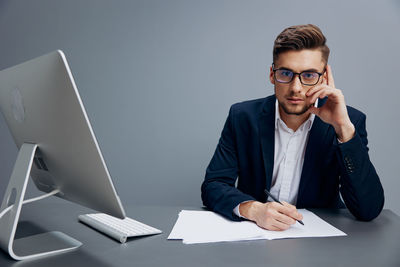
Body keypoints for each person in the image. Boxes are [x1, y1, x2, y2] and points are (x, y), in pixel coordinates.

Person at [201, 24, 384, 231]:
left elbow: (368, 210)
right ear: (272, 74)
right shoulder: (242, 117)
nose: (296, 88)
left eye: (308, 75)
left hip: (321, 245)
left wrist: (343, 130)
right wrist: (253, 209)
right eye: (286, 73)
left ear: (323, 78)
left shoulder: (350, 121)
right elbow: (213, 185)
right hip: (255, 236)